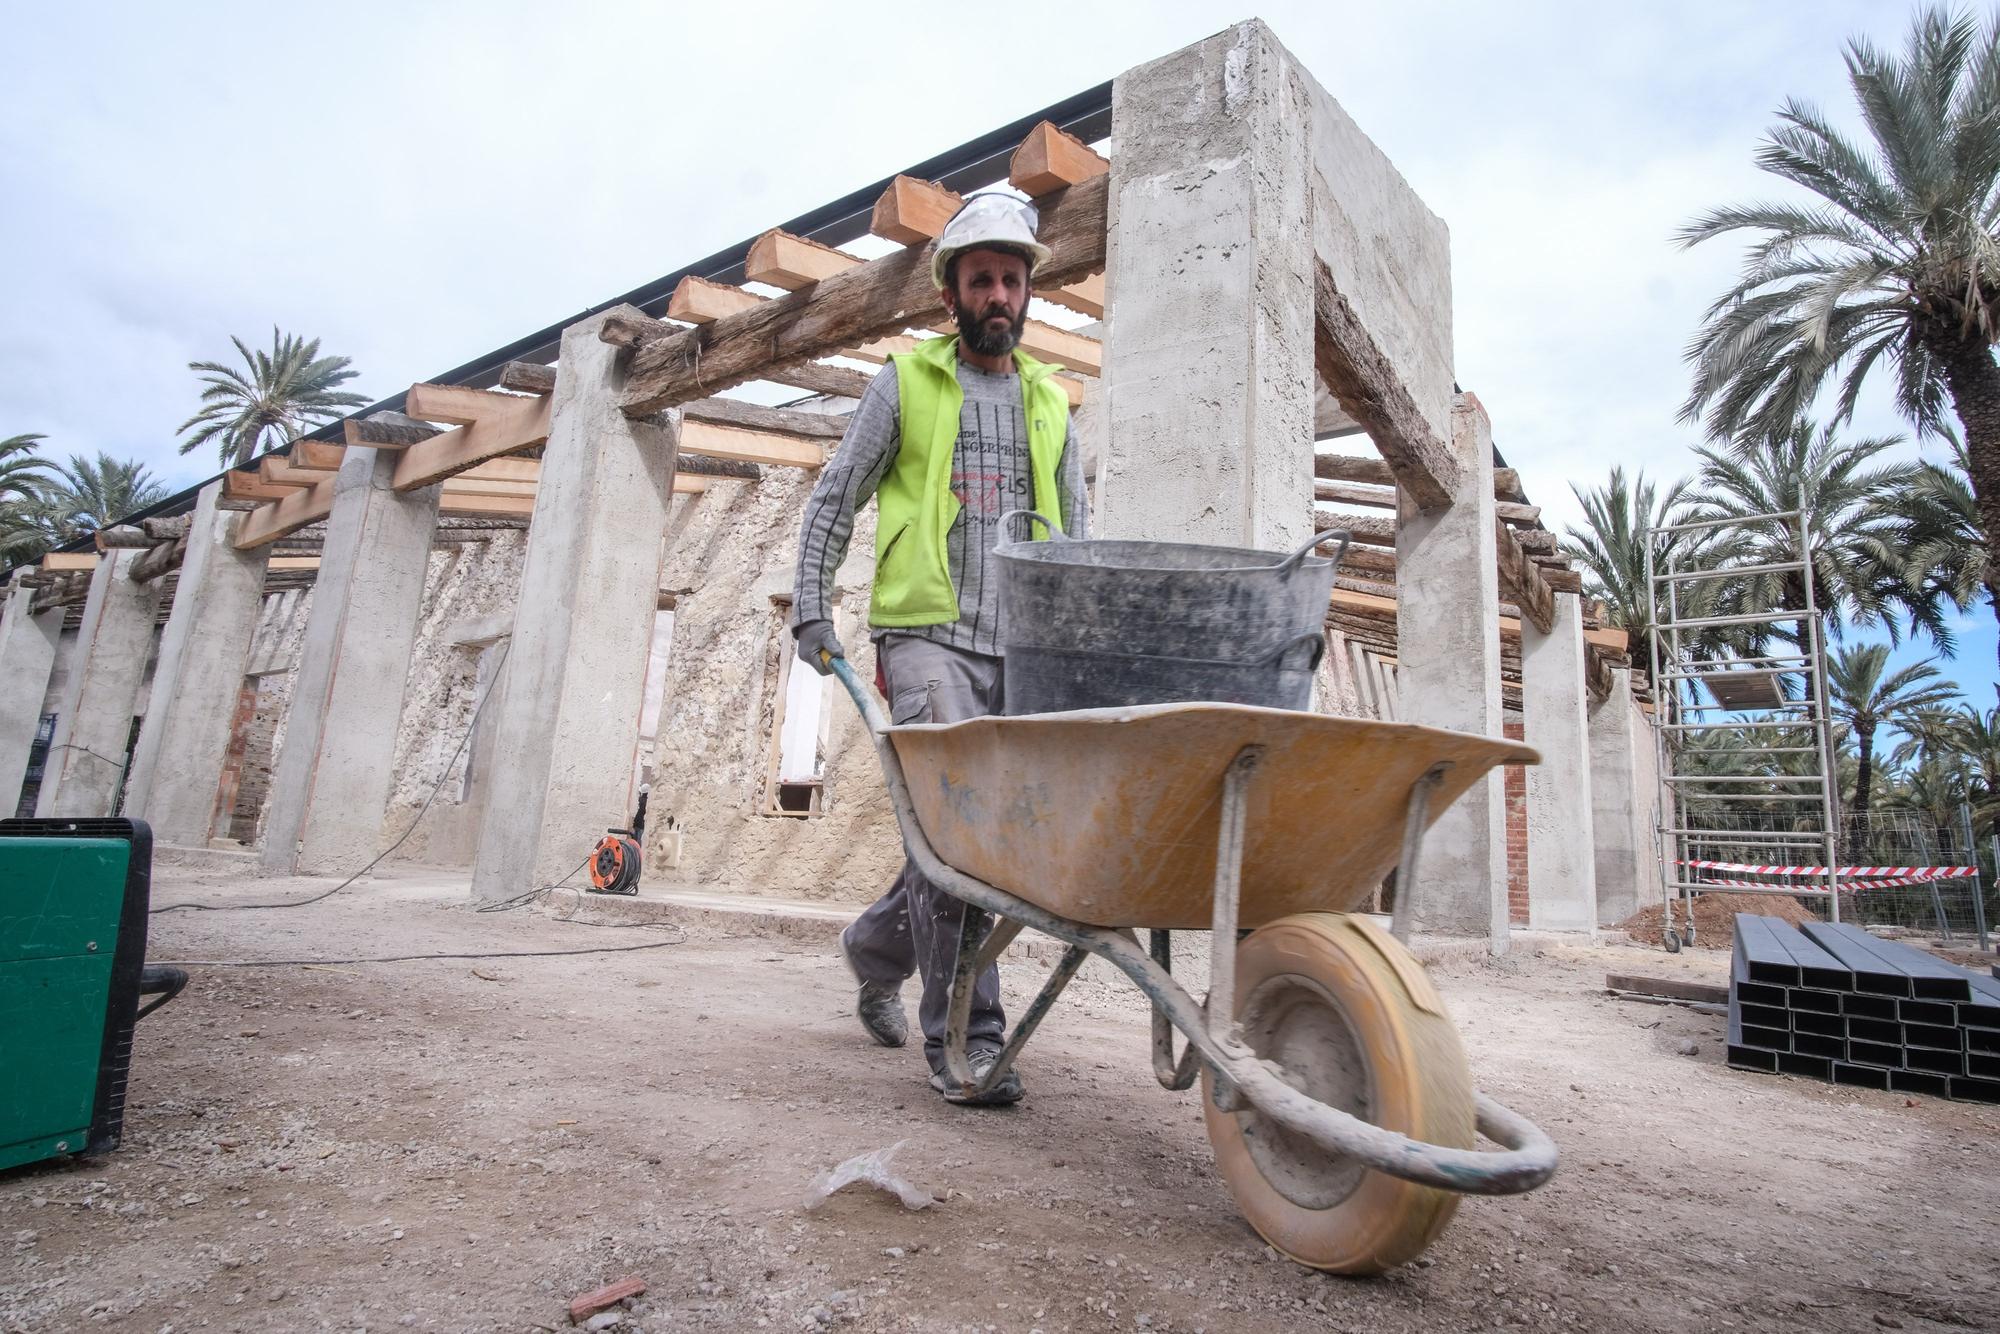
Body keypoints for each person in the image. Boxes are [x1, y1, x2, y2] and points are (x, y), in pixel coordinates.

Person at [788, 191, 1089, 1106]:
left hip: (1021, 652)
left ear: (1027, 293)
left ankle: (874, 949)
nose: (997, 294)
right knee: (959, 840)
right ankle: (968, 1042)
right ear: (950, 295)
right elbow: (838, 495)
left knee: (971, 848)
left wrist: (1081, 651)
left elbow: (1077, 535)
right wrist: (810, 606)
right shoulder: (906, 384)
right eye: (979, 280)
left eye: (1010, 279)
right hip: (925, 640)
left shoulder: (1050, 398)